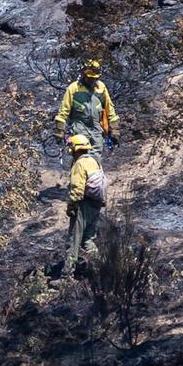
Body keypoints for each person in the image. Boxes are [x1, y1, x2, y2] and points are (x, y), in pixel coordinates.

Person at [54, 59, 119, 164]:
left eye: (94, 78)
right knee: (80, 159)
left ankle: (94, 180)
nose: (91, 81)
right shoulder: (74, 88)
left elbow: (110, 110)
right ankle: (77, 179)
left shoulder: (101, 88)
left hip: (97, 131)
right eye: (89, 78)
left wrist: (114, 131)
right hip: (79, 129)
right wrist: (59, 131)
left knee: (96, 160)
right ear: (83, 75)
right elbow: (63, 112)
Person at [64, 134, 105, 279]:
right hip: (96, 205)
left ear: (76, 149)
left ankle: (66, 275)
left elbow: (77, 188)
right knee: (88, 240)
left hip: (83, 205)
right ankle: (103, 267)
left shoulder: (79, 164)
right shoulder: (94, 161)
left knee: (73, 241)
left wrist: (71, 206)